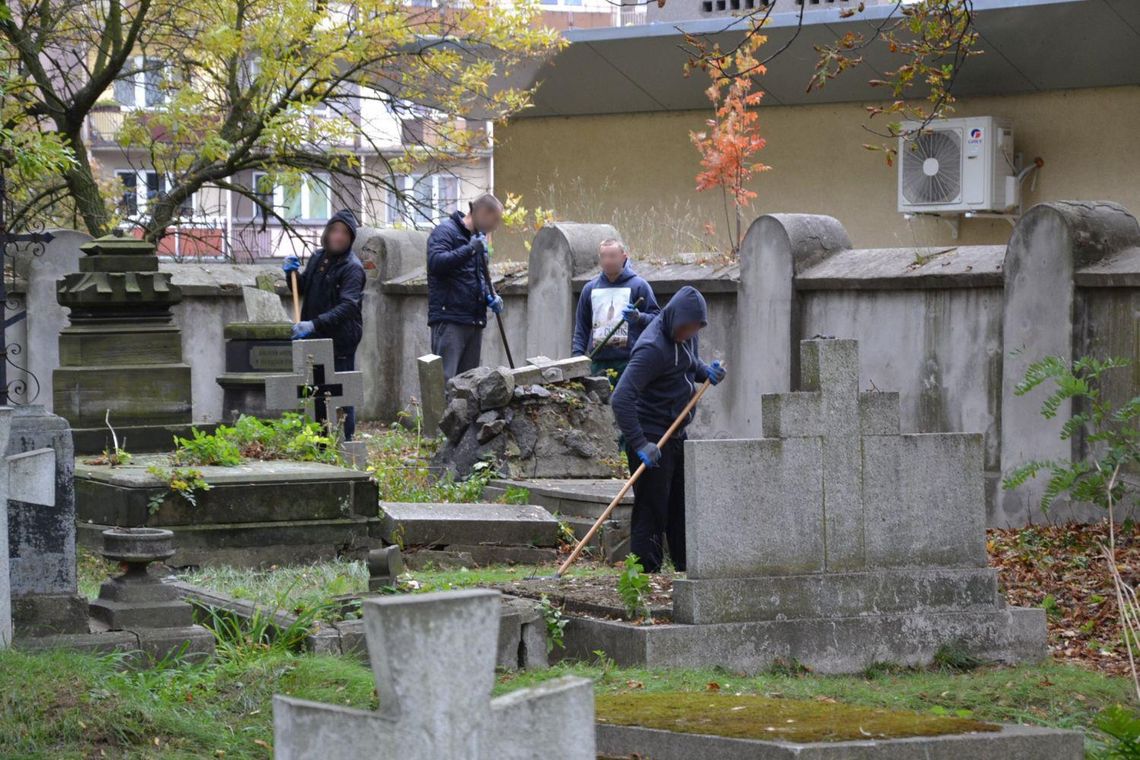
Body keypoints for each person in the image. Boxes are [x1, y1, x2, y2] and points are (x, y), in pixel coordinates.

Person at [610, 285, 726, 574]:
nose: (689, 334)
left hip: (676, 434)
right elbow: (621, 397)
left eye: (695, 329)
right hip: (650, 435)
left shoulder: (687, 335)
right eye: (685, 328)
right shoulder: (652, 348)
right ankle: (645, 576)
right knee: (651, 510)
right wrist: (639, 443)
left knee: (680, 507)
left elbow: (687, 365)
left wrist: (705, 372)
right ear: (675, 319)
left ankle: (686, 570)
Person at [282, 209, 366, 441]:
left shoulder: (352, 268)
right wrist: (292, 276)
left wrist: (314, 324)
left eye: (344, 233)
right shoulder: (319, 258)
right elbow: (303, 288)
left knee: (341, 390)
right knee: (315, 391)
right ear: (327, 233)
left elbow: (348, 306)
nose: (338, 237)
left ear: (350, 239)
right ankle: (319, 437)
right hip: (315, 337)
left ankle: (345, 439)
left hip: (340, 340)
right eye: (335, 231)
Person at [426, 193, 505, 380]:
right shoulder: (445, 232)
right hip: (450, 319)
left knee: (468, 388)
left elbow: (477, 276)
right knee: (445, 383)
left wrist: (489, 295)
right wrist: (469, 249)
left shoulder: (478, 239)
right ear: (483, 213)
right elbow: (436, 263)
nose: (495, 227)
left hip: (474, 320)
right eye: (494, 221)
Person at [571, 239, 659, 379]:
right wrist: (577, 359)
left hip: (630, 361)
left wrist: (639, 317)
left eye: (612, 256)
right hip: (597, 362)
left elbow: (657, 319)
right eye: (604, 256)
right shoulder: (590, 289)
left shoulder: (639, 286)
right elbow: (581, 327)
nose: (607, 261)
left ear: (623, 257)